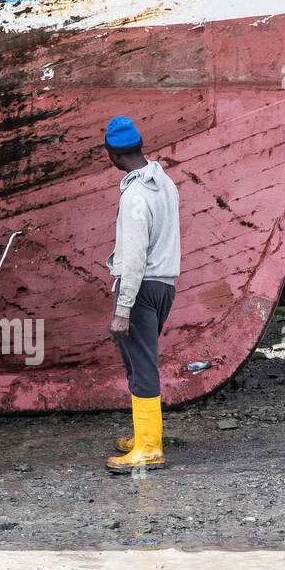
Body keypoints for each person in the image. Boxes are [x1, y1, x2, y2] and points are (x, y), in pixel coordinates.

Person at [102, 116, 181, 473]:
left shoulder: (135, 193)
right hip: (164, 285)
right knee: (141, 360)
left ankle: (149, 448)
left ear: (113, 156)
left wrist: (122, 308)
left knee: (142, 365)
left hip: (140, 288)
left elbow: (133, 258)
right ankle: (143, 434)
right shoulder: (164, 183)